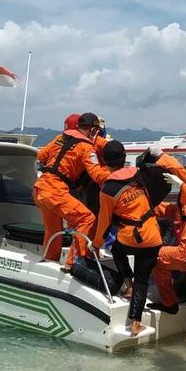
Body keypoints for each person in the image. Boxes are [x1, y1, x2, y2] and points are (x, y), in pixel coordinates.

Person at [93, 140, 162, 337]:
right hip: (153, 235)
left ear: (105, 162)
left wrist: (96, 244)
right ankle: (135, 323)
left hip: (131, 237)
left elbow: (104, 222)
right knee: (143, 278)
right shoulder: (138, 174)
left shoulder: (107, 189)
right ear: (124, 158)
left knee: (116, 249)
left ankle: (128, 286)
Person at [34, 113, 109, 264]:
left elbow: (41, 155)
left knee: (53, 230)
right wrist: (115, 173)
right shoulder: (86, 147)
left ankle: (50, 261)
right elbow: (97, 175)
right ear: (93, 130)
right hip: (56, 191)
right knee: (86, 219)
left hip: (40, 188)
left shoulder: (60, 138)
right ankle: (73, 263)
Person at [148, 145, 186, 314]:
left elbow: (182, 176)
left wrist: (162, 156)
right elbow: (170, 210)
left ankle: (169, 302)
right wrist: (146, 207)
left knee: (156, 258)